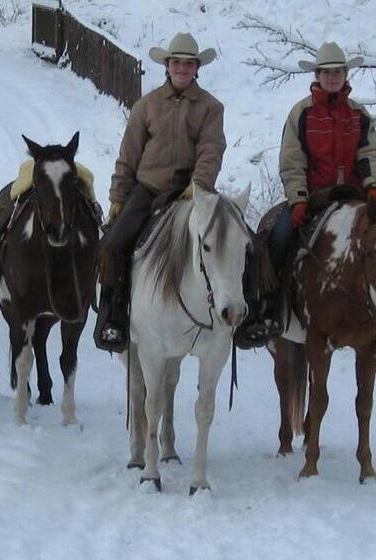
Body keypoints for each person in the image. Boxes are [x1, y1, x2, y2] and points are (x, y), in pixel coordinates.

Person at [235, 42, 376, 347]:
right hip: (314, 196)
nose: (332, 77)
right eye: (326, 72)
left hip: (354, 198)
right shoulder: (301, 113)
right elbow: (292, 159)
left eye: (337, 71)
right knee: (280, 234)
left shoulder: (358, 114)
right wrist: (298, 199)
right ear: (317, 75)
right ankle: (267, 308)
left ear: (345, 74)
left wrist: (375, 192)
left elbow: (370, 155)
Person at [94, 32, 227, 353]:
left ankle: (240, 310)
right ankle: (113, 316)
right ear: (167, 66)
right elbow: (128, 156)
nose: (182, 68)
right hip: (148, 188)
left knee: (236, 240)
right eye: (177, 63)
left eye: (189, 64)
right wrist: (117, 198)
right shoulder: (146, 106)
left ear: (197, 68)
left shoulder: (210, 107)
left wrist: (198, 187)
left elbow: (211, 150)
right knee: (113, 244)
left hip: (192, 191)